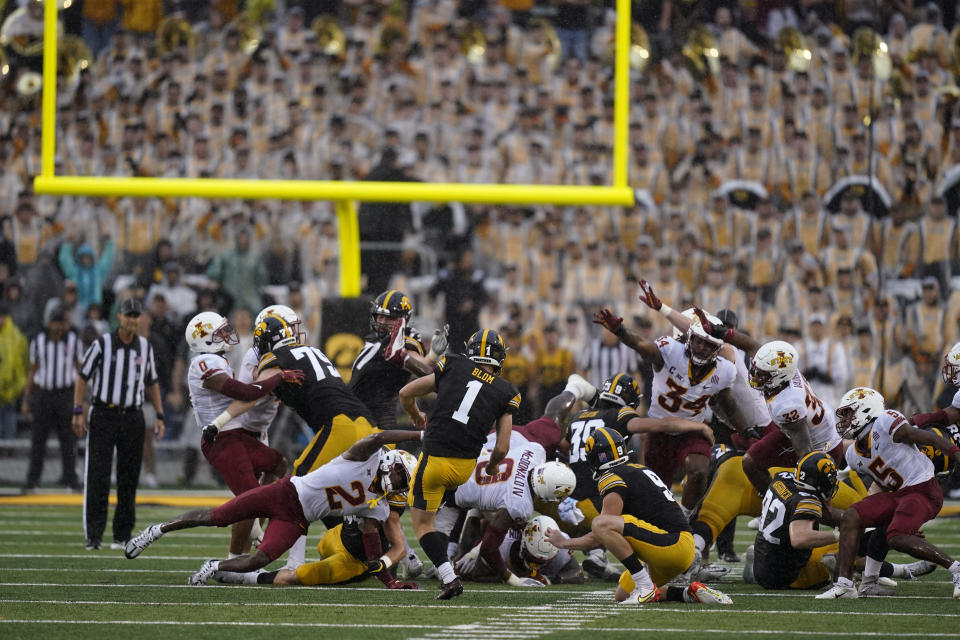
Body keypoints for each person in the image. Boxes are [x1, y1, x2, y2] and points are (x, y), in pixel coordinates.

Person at [125, 429, 422, 586]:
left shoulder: (378, 506)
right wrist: (419, 436)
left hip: (298, 520)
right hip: (285, 492)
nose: (396, 481)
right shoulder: (363, 457)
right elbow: (380, 437)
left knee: (259, 559)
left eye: (401, 481)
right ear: (390, 462)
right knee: (217, 517)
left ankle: (213, 567)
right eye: (398, 474)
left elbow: (373, 538)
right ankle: (156, 531)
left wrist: (389, 579)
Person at [593, 298, 747, 517]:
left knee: (699, 470)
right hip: (660, 431)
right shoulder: (670, 350)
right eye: (698, 341)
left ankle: (685, 517)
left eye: (709, 344)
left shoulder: (725, 370)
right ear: (686, 337)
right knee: (655, 495)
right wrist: (620, 331)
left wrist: (748, 430)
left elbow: (728, 404)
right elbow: (641, 344)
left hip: (692, 429)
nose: (702, 348)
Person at [544, 427, 733, 606]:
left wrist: (565, 542)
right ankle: (687, 593)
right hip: (675, 547)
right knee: (622, 595)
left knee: (601, 523)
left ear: (595, 458)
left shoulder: (612, 477)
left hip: (671, 545)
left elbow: (599, 533)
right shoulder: (637, 469)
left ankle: (645, 586)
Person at [398, 329, 521, 600]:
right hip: (465, 468)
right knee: (443, 502)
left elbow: (406, 393)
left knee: (422, 526)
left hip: (435, 461)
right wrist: (490, 468)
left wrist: (416, 415)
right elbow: (501, 447)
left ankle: (449, 577)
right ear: (499, 358)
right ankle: (451, 544)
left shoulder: (452, 363)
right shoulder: (506, 391)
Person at [563, 372, 717, 580]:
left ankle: (597, 554)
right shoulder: (619, 415)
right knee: (639, 508)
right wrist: (698, 425)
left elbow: (563, 448)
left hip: (569, 503)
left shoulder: (578, 416)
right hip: (601, 501)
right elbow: (661, 426)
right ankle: (649, 571)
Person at [818, 387, 960, 599]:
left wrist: (956, 453)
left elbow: (923, 437)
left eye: (849, 413)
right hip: (900, 495)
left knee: (896, 535)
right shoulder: (853, 454)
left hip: (923, 489)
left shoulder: (885, 422)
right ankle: (849, 584)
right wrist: (874, 512)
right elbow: (881, 484)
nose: (845, 420)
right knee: (852, 516)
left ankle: (956, 569)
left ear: (865, 409)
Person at [184, 310, 301, 558]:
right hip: (221, 439)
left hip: (236, 435)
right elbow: (245, 393)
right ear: (204, 339)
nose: (227, 334)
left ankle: (257, 530)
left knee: (278, 464)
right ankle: (235, 559)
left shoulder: (219, 360)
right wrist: (279, 376)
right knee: (251, 498)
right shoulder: (203, 363)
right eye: (220, 333)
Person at [690, 309, 844, 495]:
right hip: (803, 429)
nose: (754, 375)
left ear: (777, 377)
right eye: (756, 369)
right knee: (751, 462)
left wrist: (808, 479)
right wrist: (717, 332)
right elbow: (751, 345)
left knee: (807, 488)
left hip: (821, 447)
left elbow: (806, 455)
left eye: (761, 374)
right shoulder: (782, 368)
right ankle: (769, 499)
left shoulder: (787, 405)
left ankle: (786, 504)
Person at [746, 450, 934, 591]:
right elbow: (800, 538)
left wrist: (865, 521)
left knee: (853, 536)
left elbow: (827, 516)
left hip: (768, 556)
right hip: (787, 575)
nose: (831, 484)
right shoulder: (807, 499)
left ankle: (754, 567)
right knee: (846, 550)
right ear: (816, 480)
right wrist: (840, 534)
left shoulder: (782, 478)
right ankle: (902, 570)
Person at [72, 298, 165, 551]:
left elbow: (152, 381)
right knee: (98, 476)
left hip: (133, 416)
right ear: (119, 317)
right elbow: (83, 377)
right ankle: (94, 536)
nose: (132, 320)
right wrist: (78, 409)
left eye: (136, 316)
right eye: (128, 316)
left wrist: (159, 414)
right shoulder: (102, 343)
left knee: (129, 477)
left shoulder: (144, 346)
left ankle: (121, 535)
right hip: (104, 413)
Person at [433, 436, 576, 587]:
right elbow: (489, 548)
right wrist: (512, 579)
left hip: (461, 458)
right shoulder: (520, 505)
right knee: (439, 559)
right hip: (451, 490)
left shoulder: (536, 451)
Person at [350, 290, 448, 429]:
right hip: (359, 416)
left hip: (375, 422)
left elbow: (420, 367)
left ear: (403, 319)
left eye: (389, 318)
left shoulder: (404, 338)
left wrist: (429, 357)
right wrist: (432, 356)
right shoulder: (376, 339)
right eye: (380, 316)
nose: (383, 322)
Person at [22, 307, 83, 493]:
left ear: (65, 324)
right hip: (43, 394)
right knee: (38, 440)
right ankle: (33, 480)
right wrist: (26, 398)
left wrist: (82, 399)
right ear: (49, 323)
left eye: (60, 322)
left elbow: (81, 370)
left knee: (68, 439)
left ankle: (70, 479)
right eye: (54, 322)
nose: (57, 327)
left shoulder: (73, 341)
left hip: (66, 393)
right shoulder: (38, 341)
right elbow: (32, 370)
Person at [0, 302, 27, 440]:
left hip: (10, 388)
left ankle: (8, 447)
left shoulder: (16, 336)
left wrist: (19, 385)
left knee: (9, 418)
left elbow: (22, 362)